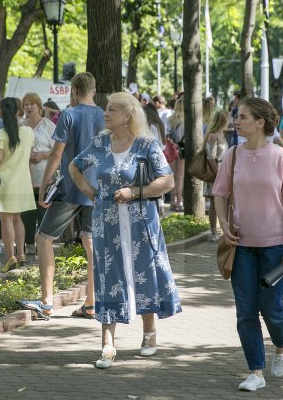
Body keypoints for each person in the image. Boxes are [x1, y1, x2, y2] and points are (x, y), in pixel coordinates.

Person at [69, 91, 181, 369]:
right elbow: (74, 167)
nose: (106, 114)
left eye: (112, 110)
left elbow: (167, 180)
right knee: (109, 276)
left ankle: (149, 333)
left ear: (128, 115)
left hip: (141, 223)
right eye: (106, 109)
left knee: (145, 273)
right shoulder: (100, 143)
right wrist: (93, 193)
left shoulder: (146, 145)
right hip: (107, 223)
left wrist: (134, 192)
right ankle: (108, 345)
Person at [213, 97, 283, 391]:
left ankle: (282, 344)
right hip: (242, 246)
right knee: (246, 310)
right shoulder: (233, 155)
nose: (236, 121)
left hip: (277, 245)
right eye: (237, 116)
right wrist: (224, 226)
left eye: (242, 117)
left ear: (260, 122)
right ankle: (256, 371)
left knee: (272, 308)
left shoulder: (281, 158)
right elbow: (220, 193)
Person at [19, 72, 103, 320]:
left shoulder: (68, 115)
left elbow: (56, 156)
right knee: (91, 245)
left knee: (44, 238)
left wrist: (44, 185)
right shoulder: (105, 115)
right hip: (97, 188)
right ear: (94, 90)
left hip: (71, 188)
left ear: (74, 91)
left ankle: (46, 302)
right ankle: (91, 303)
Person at [0, 97, 36, 272]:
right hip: (23, 181)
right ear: (19, 111)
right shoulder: (28, 132)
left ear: (1, 112)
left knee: (6, 220)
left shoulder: (0, 134)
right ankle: (21, 254)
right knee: (17, 218)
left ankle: (9, 258)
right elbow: (30, 156)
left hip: (5, 182)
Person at [21, 92, 56, 259]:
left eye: (31, 104)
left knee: (43, 211)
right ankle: (29, 245)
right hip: (26, 175)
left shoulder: (48, 125)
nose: (28, 107)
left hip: (45, 174)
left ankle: (43, 244)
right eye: (26, 104)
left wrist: (43, 155)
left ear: (39, 106)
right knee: (27, 212)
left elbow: (58, 149)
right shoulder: (21, 126)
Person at [204, 110, 229, 241]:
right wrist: (218, 173)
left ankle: (224, 229)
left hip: (224, 170)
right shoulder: (213, 136)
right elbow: (210, 157)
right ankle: (213, 232)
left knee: (225, 201)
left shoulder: (222, 134)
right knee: (214, 203)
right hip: (216, 172)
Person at [167, 97, 185, 211]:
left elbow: (167, 134)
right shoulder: (187, 120)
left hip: (173, 148)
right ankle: (179, 201)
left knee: (172, 175)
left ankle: (172, 201)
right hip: (183, 148)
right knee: (180, 176)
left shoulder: (170, 119)